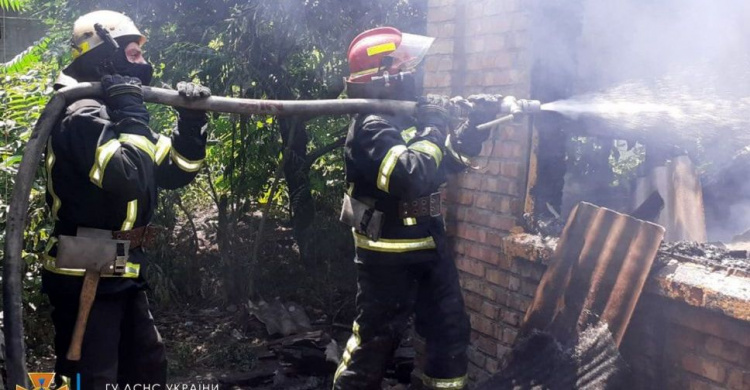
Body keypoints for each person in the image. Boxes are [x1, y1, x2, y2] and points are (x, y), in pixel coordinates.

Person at [42, 10, 210, 389]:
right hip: (83, 270)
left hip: (123, 270)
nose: (144, 62)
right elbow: (128, 176)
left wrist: (191, 123)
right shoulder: (80, 114)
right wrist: (132, 111)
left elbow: (176, 171)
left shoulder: (118, 113)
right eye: (133, 53)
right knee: (94, 377)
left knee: (147, 370)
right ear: (105, 57)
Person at [333, 27, 498, 390]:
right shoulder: (370, 125)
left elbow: (445, 163)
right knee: (375, 343)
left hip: (429, 245)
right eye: (408, 66)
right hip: (387, 253)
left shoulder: (407, 119)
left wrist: (476, 127)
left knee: (450, 330)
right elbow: (411, 175)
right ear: (388, 74)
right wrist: (436, 124)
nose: (415, 73)